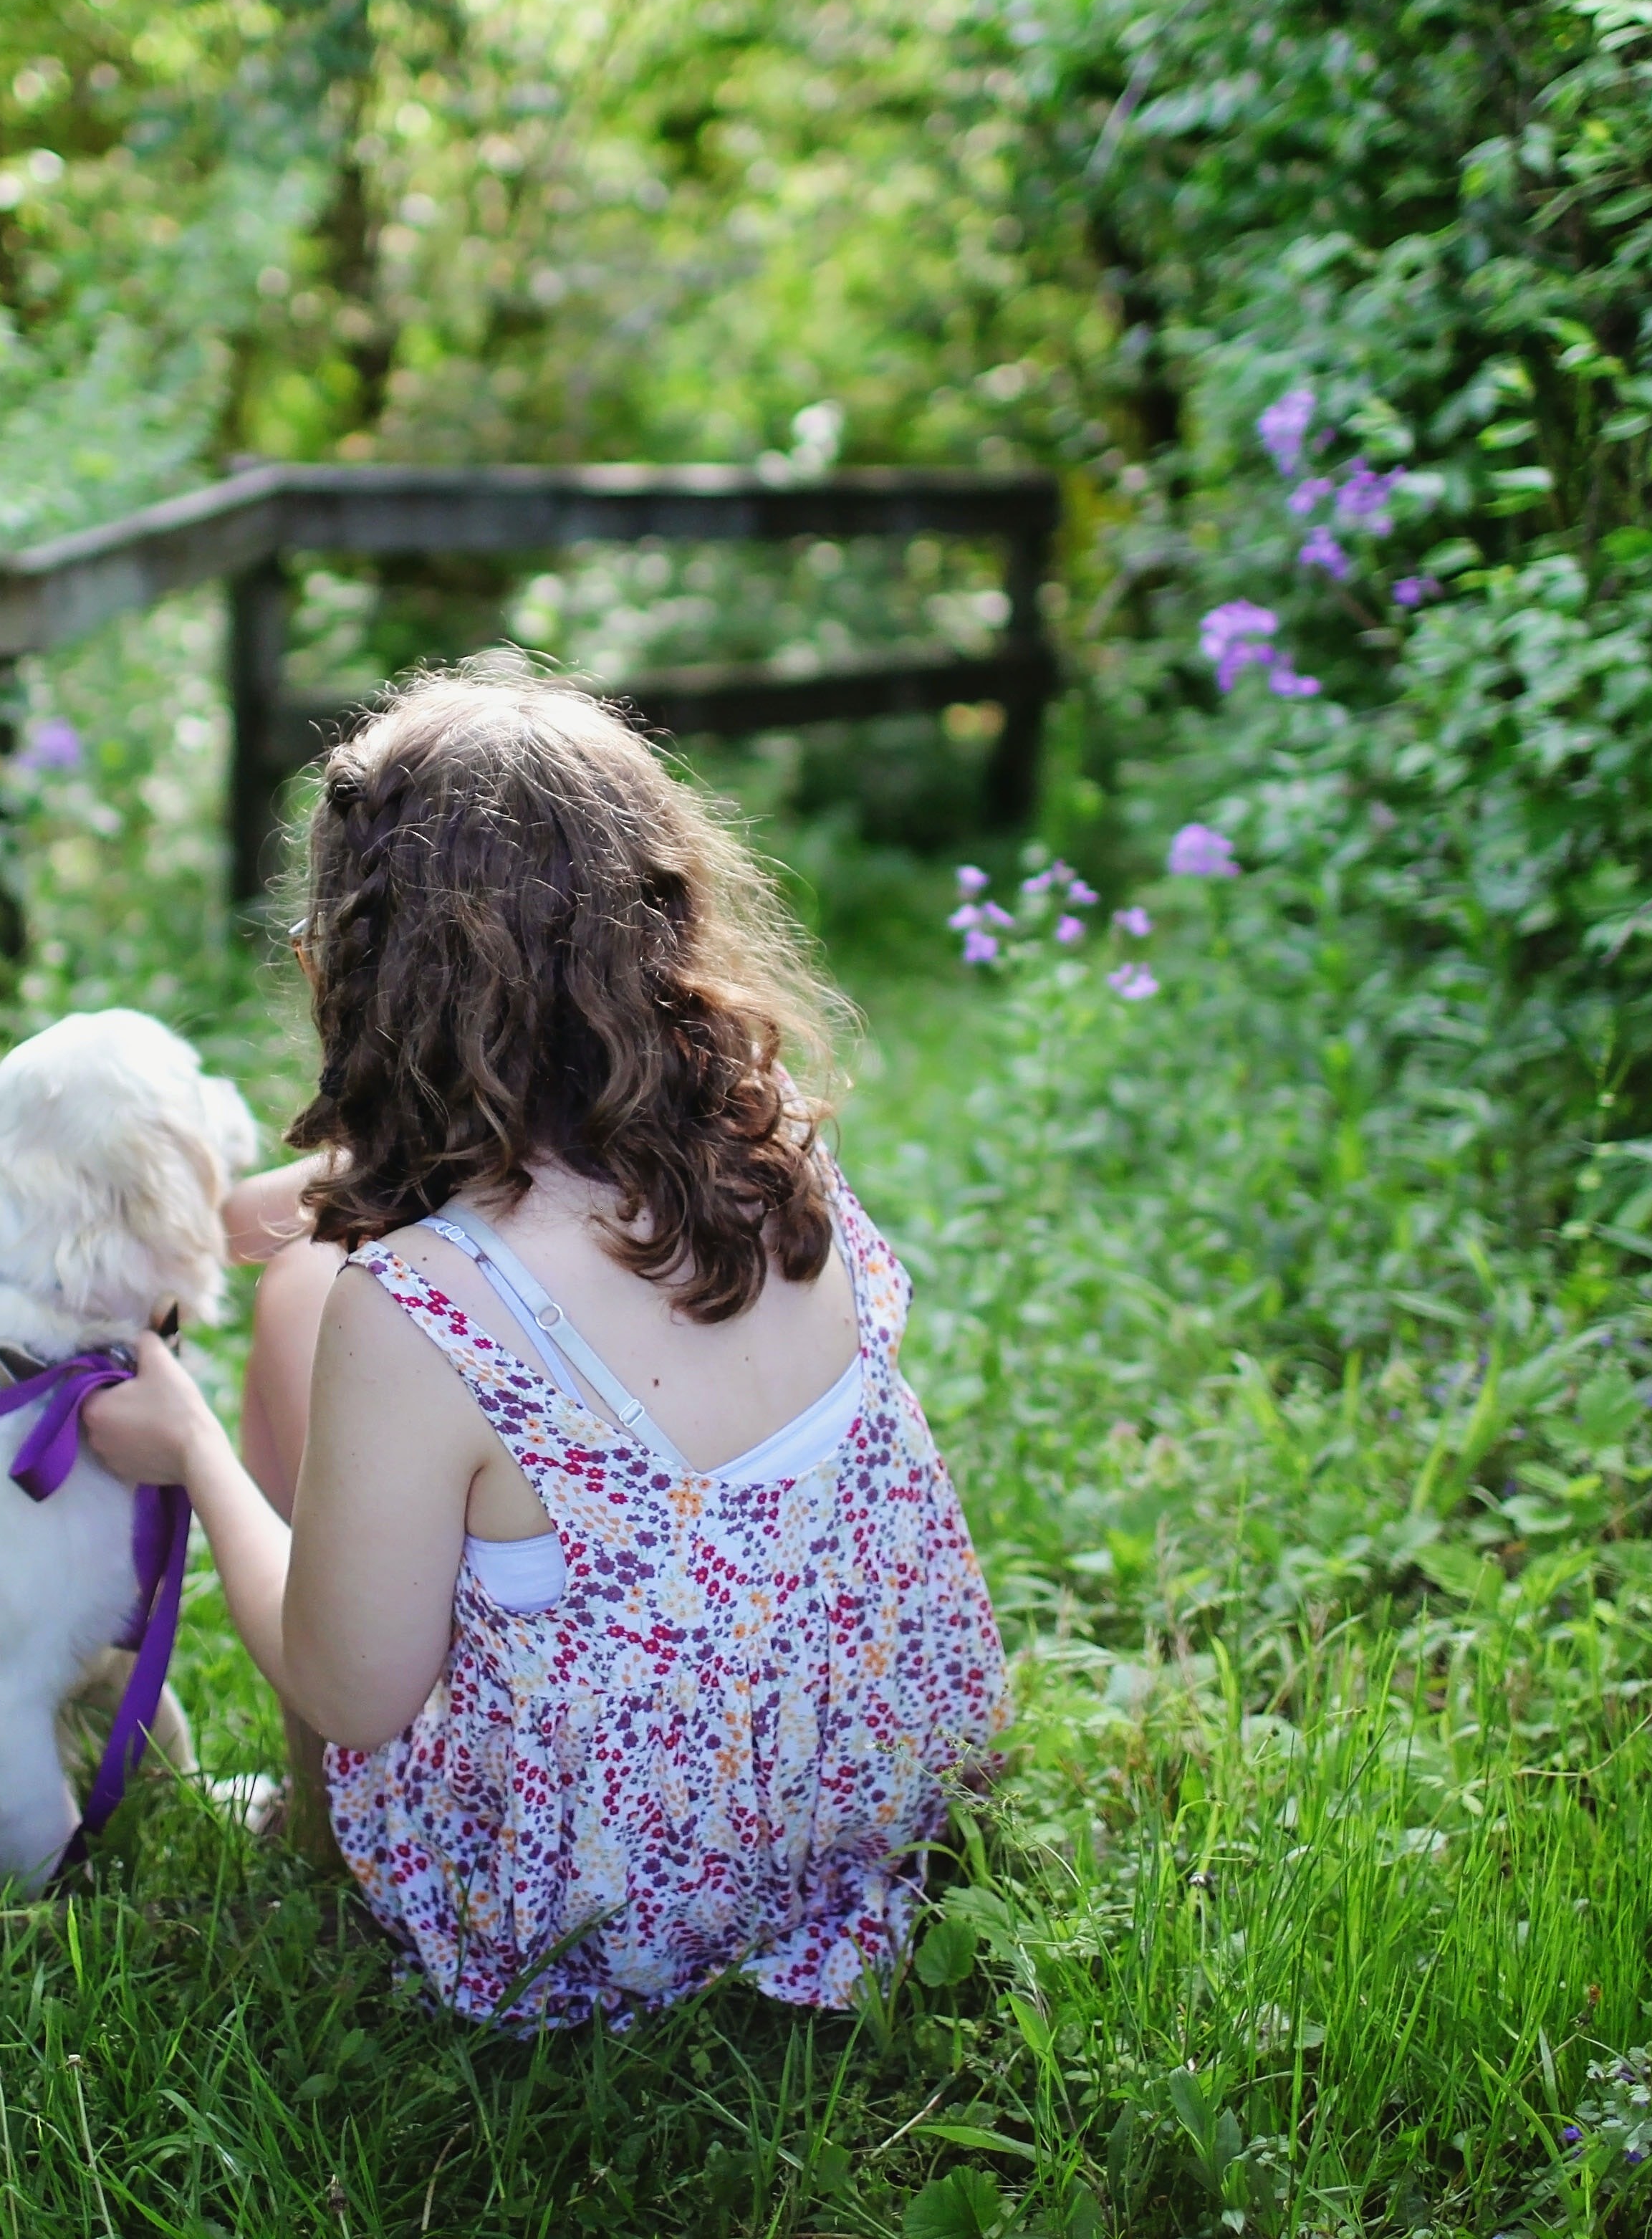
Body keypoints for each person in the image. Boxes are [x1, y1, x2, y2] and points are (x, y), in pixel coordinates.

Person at [78, 667, 1007, 2029]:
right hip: (873, 1788)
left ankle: (317, 1836)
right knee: (309, 1266)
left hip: (603, 1901)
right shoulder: (775, 1136)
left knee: (296, 1300)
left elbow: (356, 1693)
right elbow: (512, 1209)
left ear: (350, 972)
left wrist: (197, 1454)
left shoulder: (412, 1309)